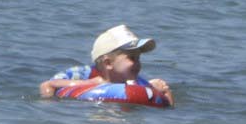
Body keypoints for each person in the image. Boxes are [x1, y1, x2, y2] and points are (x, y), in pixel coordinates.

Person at [39, 24, 174, 106]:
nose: (138, 63)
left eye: (138, 58)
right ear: (108, 63)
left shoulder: (140, 84)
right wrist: (50, 104)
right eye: (132, 58)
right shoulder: (91, 83)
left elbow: (166, 102)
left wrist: (162, 90)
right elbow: (47, 84)